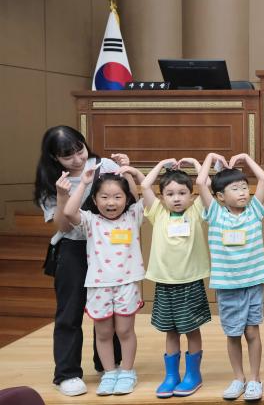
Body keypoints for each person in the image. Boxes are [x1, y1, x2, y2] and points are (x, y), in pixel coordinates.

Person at [32, 126, 123, 396]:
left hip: (105, 245)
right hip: (72, 248)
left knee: (109, 309)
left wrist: (124, 171)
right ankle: (67, 374)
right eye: (67, 155)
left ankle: (108, 364)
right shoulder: (50, 181)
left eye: (79, 149)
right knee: (70, 313)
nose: (77, 159)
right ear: (54, 158)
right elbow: (61, 225)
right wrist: (62, 196)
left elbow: (122, 198)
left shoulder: (103, 165)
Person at [124, 158, 212, 398]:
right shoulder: (157, 214)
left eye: (182, 193)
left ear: (191, 196)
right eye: (170, 193)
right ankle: (171, 375)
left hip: (190, 282)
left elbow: (204, 183)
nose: (176, 198)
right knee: (170, 331)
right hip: (164, 283)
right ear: (161, 197)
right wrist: (163, 164)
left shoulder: (196, 211)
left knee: (192, 329)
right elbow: (145, 186)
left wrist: (195, 163)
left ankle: (193, 375)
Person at [62, 168, 146, 396]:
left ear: (127, 198)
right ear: (95, 199)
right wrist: (83, 183)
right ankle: (110, 373)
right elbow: (69, 212)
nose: (111, 202)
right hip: (98, 285)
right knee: (103, 333)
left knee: (125, 331)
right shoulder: (91, 221)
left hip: (127, 284)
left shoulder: (132, 216)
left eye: (118, 197)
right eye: (104, 197)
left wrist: (135, 175)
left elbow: (148, 199)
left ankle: (127, 371)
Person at [196, 152, 264, 401]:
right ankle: (238, 378)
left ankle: (255, 379)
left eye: (244, 187)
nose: (243, 192)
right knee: (233, 333)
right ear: (219, 196)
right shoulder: (216, 214)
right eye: (235, 189)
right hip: (227, 286)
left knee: (252, 332)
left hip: (253, 283)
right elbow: (200, 183)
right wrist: (209, 157)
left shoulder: (254, 211)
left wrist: (247, 159)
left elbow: (263, 177)